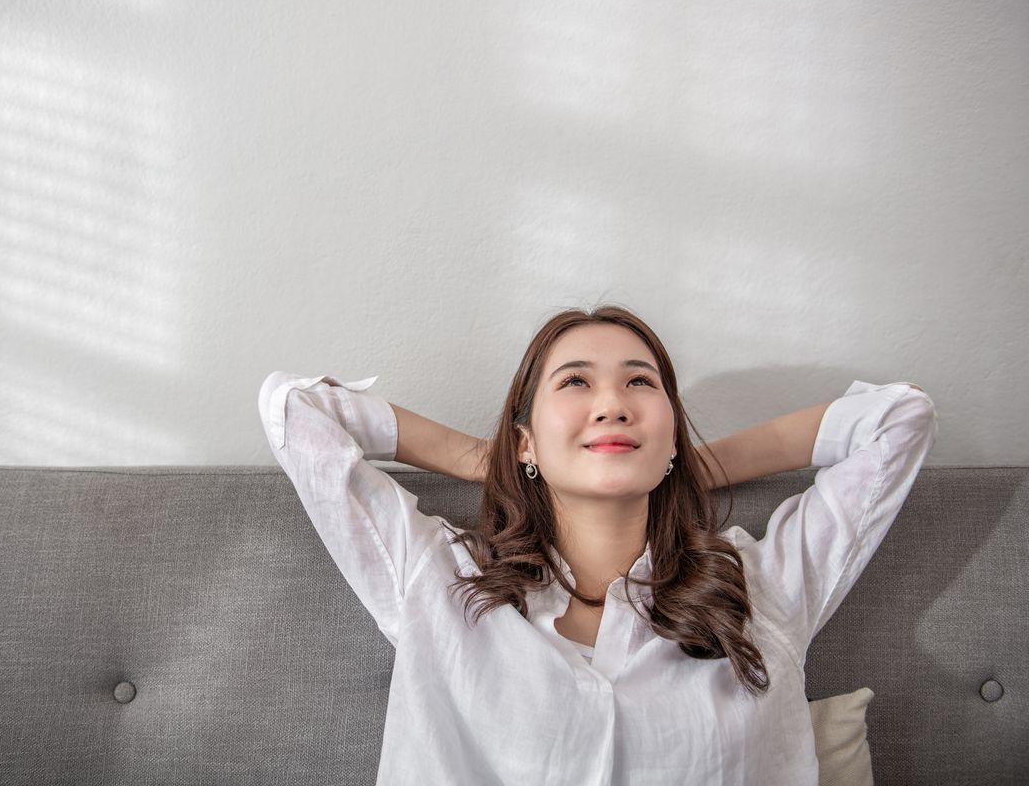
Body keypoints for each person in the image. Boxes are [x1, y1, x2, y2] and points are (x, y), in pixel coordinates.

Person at [257, 303, 937, 784]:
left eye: (640, 382)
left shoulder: (764, 587)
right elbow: (296, 409)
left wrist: (687, 461)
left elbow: (899, 418)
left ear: (671, 432)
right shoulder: (436, 579)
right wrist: (491, 459)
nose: (612, 404)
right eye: (576, 381)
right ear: (525, 438)